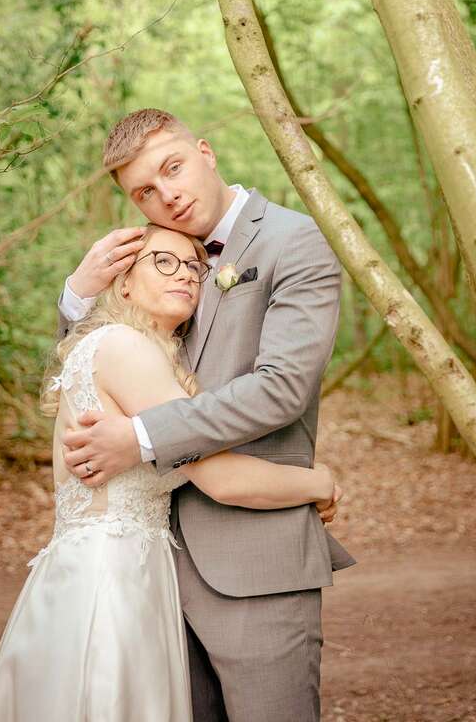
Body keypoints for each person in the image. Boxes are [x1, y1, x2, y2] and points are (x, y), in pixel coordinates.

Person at [60, 107, 355, 722]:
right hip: (148, 570)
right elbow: (101, 355)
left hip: (255, 558)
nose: (165, 196)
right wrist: (76, 296)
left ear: (205, 152)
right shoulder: (158, 261)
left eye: (173, 169)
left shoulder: (294, 240)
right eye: (144, 190)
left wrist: (143, 437)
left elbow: (281, 388)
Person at [0, 225, 338, 722]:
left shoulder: (114, 347)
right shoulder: (126, 348)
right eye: (163, 262)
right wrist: (319, 482)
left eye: (193, 265)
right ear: (123, 283)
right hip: (114, 584)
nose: (185, 275)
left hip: (102, 572)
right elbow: (219, 479)